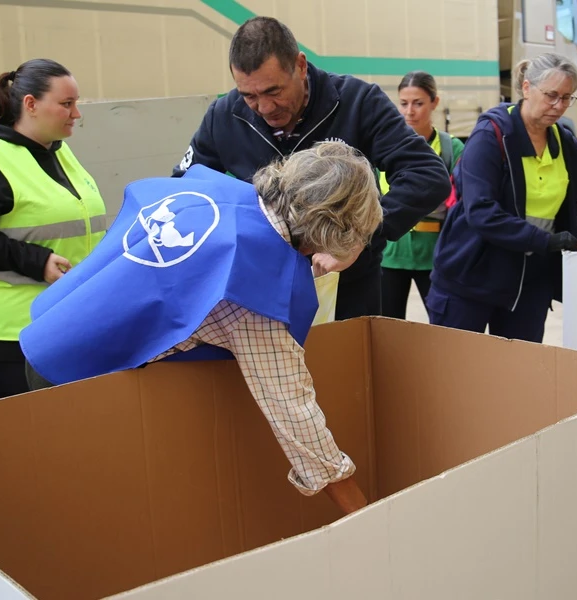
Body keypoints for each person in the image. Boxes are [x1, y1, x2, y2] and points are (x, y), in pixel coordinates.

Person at [20, 142, 381, 515]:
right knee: (100, 503)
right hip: (73, 379)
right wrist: (363, 511)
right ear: (339, 228)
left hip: (54, 323)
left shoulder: (222, 194)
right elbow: (293, 413)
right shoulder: (253, 287)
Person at [173, 16, 451, 320]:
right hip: (259, 291)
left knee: (347, 367)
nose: (264, 108)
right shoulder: (223, 116)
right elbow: (184, 192)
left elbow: (427, 175)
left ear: (301, 66)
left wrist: (358, 238)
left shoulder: (357, 102)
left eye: (273, 91)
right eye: (249, 96)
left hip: (348, 290)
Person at [426, 54, 577, 343]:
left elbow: (558, 207)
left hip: (528, 284)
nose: (559, 106)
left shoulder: (566, 145)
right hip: (472, 278)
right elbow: (481, 211)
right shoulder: (491, 136)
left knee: (520, 379)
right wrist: (545, 242)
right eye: (552, 95)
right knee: (460, 378)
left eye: (567, 98)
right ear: (528, 88)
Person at [0, 59, 108, 399]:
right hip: (15, 336)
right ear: (30, 104)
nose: (76, 114)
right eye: (66, 104)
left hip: (66, 322)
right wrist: (37, 261)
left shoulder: (58, 152)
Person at [379, 71, 464, 320]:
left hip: (436, 257)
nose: (409, 112)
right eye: (403, 103)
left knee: (444, 329)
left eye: (418, 103)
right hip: (389, 256)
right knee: (387, 331)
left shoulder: (452, 148)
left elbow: (463, 207)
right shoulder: (383, 145)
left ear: (434, 103)